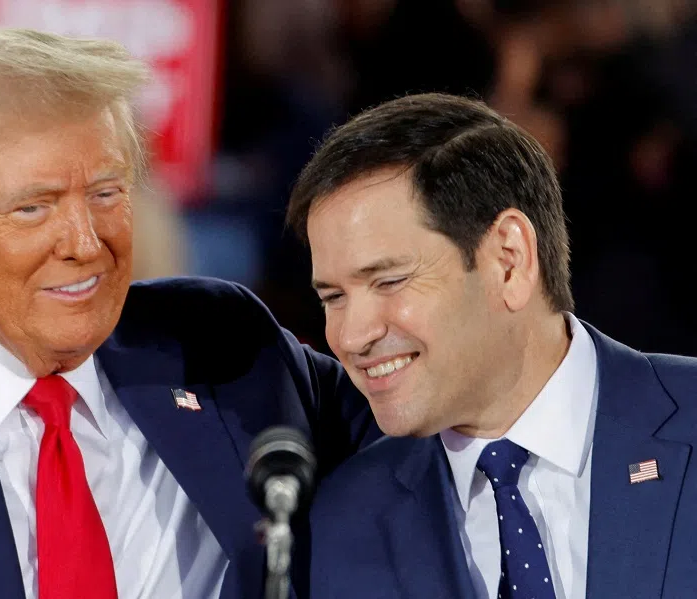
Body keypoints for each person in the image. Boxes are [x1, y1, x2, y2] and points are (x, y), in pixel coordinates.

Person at [0, 29, 377, 599]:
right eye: (33, 207)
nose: (84, 242)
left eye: (106, 193)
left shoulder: (220, 344)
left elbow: (425, 425)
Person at [286, 92, 697, 599]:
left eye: (389, 281)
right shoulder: (339, 528)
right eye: (333, 297)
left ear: (508, 260)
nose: (351, 336)